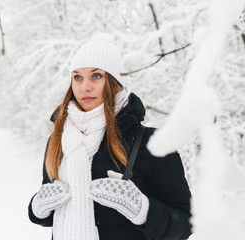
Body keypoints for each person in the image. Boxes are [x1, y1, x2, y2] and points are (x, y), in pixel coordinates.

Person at [28, 32, 192, 240]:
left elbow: (185, 225)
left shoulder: (151, 143)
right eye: (77, 77)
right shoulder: (60, 140)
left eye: (96, 76)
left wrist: (140, 208)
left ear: (115, 82)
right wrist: (37, 208)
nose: (84, 86)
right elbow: (52, 214)